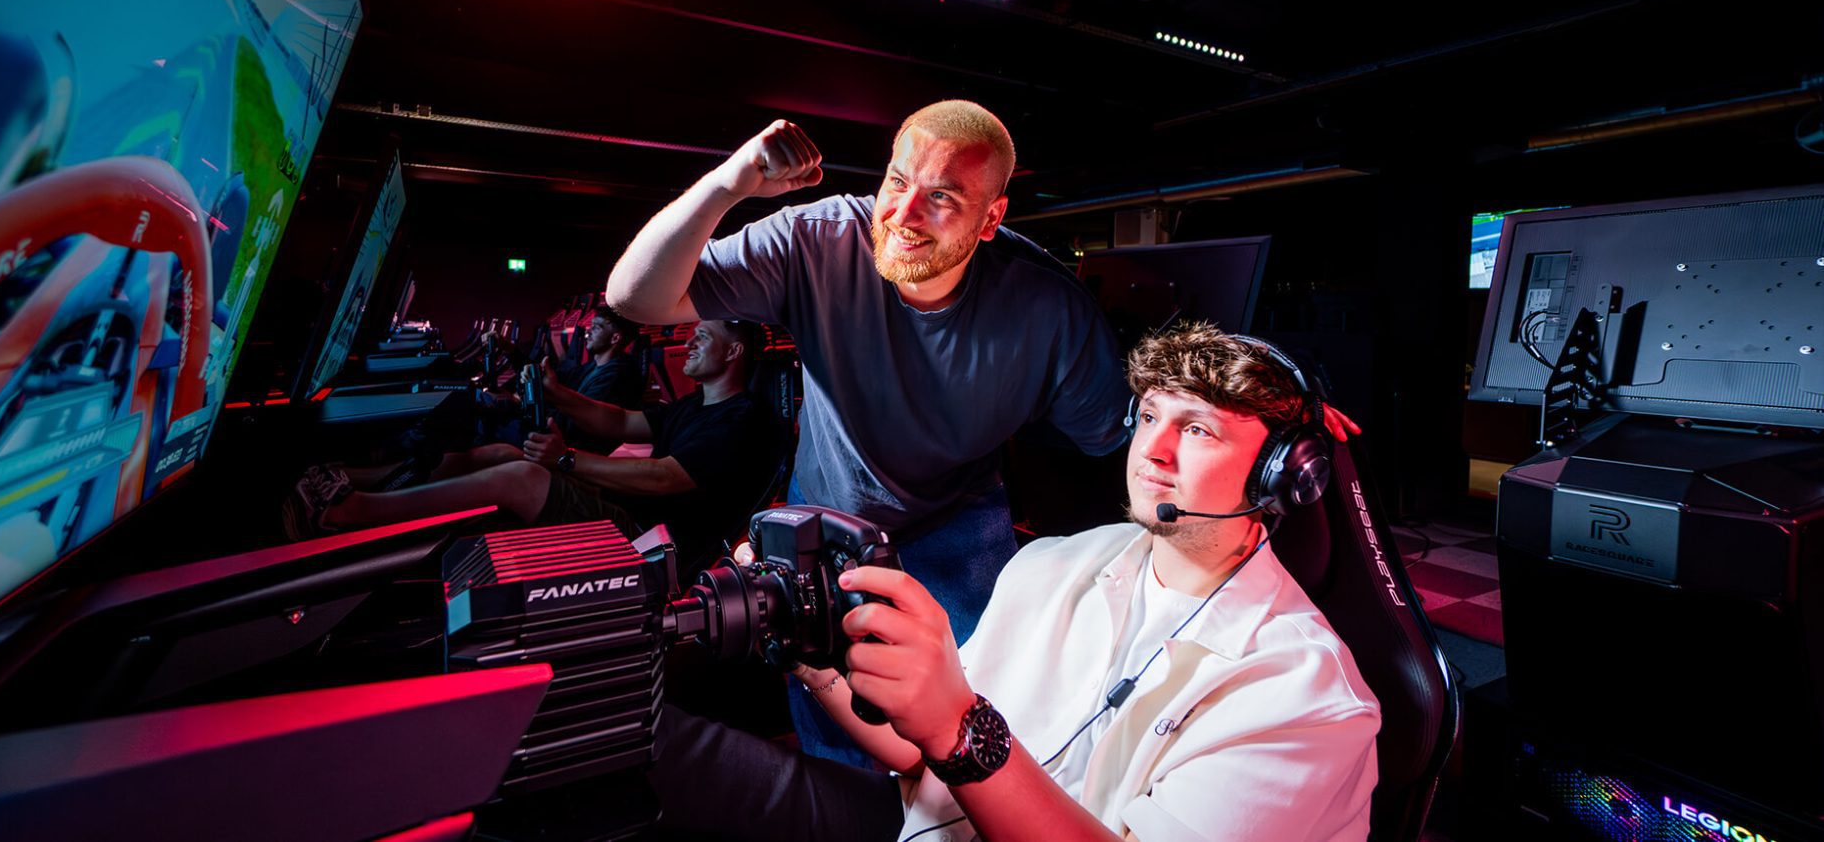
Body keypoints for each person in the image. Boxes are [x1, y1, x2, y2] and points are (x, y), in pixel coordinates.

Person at [608, 100, 1358, 765]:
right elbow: (634, 298)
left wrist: (1262, 413)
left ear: (991, 219)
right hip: (829, 513)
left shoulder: (1045, 307)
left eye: (942, 197)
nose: (904, 214)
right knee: (838, 736)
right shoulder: (818, 239)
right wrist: (729, 182)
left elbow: (1128, 429)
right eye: (898, 182)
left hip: (955, 522)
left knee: (974, 720)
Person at [649, 321, 1381, 842]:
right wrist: (804, 651)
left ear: (1283, 474)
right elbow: (918, 751)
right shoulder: (1053, 564)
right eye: (1150, 415)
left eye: (1197, 429)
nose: (1152, 450)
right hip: (926, 818)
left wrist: (958, 729)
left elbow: (953, 738)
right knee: (650, 747)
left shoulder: (1306, 700)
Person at [286, 319, 782, 575]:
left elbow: (666, 477)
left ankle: (348, 515)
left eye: (702, 337)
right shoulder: (694, 404)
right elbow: (619, 420)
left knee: (522, 475)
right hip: (631, 512)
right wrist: (557, 392)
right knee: (503, 454)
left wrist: (565, 458)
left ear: (734, 352)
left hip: (650, 542)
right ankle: (362, 485)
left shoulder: (741, 419)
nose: (688, 344)